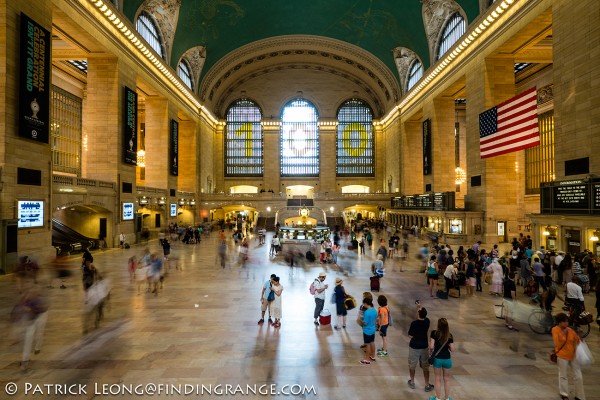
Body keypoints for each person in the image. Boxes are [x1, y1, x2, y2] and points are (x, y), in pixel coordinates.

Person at [12, 287, 48, 371]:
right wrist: (15, 333)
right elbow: (14, 317)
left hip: (40, 316)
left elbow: (43, 309)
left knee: (38, 333)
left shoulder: (39, 300)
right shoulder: (20, 305)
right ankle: (25, 361)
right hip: (29, 322)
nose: (28, 295)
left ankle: (37, 346)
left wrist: (32, 309)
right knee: (27, 340)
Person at [552, 313, 585, 400]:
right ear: (560, 322)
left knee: (578, 376)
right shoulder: (555, 330)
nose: (567, 323)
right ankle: (564, 394)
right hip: (562, 355)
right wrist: (564, 332)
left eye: (567, 321)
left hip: (573, 355)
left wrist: (580, 337)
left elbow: (577, 341)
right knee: (563, 375)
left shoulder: (570, 330)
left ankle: (580, 396)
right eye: (565, 321)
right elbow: (558, 342)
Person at [407, 303, 434, 393]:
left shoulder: (414, 323)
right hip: (424, 347)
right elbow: (424, 314)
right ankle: (427, 385)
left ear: (418, 314)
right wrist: (419, 306)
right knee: (425, 366)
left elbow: (410, 336)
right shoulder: (427, 322)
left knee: (412, 365)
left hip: (414, 347)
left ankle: (412, 382)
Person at [429, 318, 455, 400]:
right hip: (447, 359)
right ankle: (447, 398)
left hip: (437, 359)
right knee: (447, 380)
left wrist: (431, 351)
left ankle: (437, 398)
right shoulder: (449, 336)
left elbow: (431, 346)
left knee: (437, 379)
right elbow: (452, 349)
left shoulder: (434, 333)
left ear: (438, 325)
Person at [358, 297, 377, 365]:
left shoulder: (367, 312)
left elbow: (365, 323)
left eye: (364, 304)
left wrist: (360, 320)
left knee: (367, 344)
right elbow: (375, 321)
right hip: (373, 329)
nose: (364, 305)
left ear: (366, 304)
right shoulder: (374, 310)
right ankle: (373, 356)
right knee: (372, 342)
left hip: (367, 331)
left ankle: (367, 359)